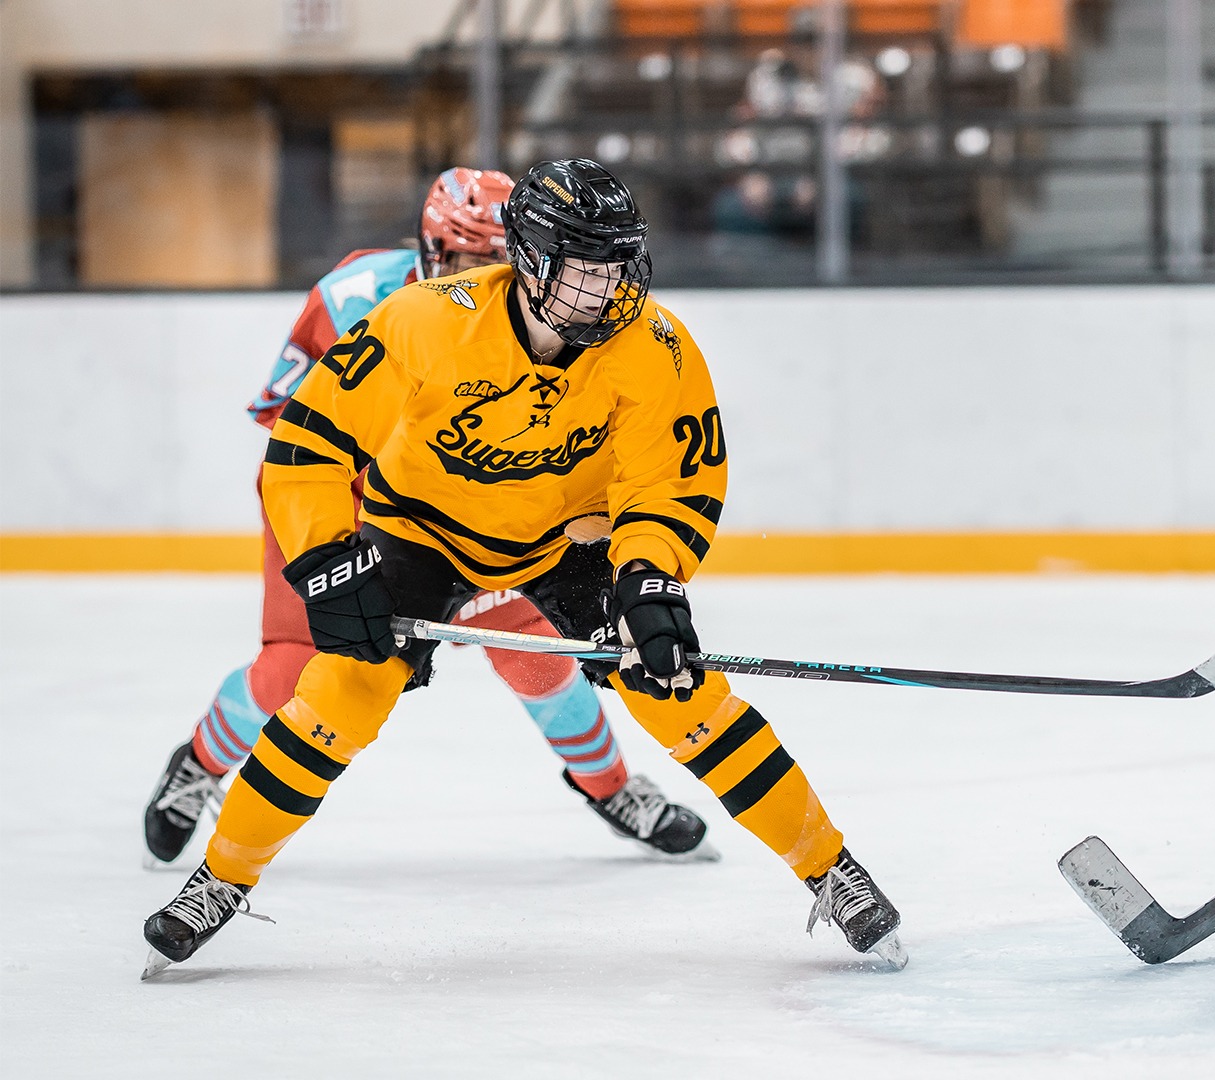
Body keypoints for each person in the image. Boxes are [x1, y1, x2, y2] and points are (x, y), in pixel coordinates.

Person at [141, 158, 903, 977]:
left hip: (559, 542)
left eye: (621, 268)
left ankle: (830, 868)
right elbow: (307, 444)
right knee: (339, 691)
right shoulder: (423, 320)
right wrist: (329, 556)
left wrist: (649, 576)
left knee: (681, 690)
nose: (610, 291)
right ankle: (221, 878)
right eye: (586, 271)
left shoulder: (656, 345)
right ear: (532, 263)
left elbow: (670, 484)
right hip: (418, 535)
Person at [141, 167, 712, 870]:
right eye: (464, 260)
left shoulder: (537, 312)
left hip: (463, 502)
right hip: (345, 500)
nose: (480, 274)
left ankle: (613, 787)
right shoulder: (358, 297)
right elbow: (290, 424)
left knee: (534, 652)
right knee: (296, 667)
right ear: (430, 248)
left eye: (496, 261)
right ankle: (198, 766)